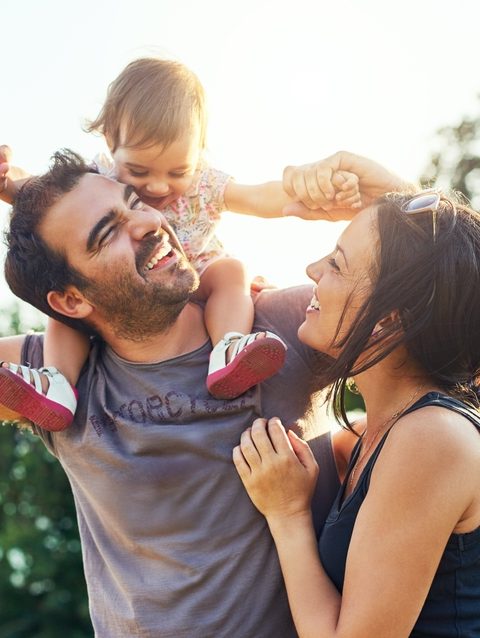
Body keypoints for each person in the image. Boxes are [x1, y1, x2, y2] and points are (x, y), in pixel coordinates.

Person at [0, 147, 361, 638]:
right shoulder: (55, 379)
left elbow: (455, 296)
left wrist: (383, 194)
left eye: (136, 203)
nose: (148, 223)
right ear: (70, 301)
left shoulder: (283, 326)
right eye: (108, 233)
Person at [0, 57, 361, 431]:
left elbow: (257, 197)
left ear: (199, 151)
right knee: (65, 311)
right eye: (139, 172)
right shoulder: (99, 178)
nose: (157, 187)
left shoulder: (203, 184)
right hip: (124, 298)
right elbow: (47, 196)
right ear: (111, 140)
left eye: (177, 172)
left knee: (232, 271)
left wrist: (310, 193)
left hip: (198, 272)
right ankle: (56, 382)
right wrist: (9, 182)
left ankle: (229, 346)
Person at [234, 171, 480, 635]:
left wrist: (287, 516)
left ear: (388, 319)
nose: (312, 270)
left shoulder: (432, 439)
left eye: (337, 264)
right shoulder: (377, 433)